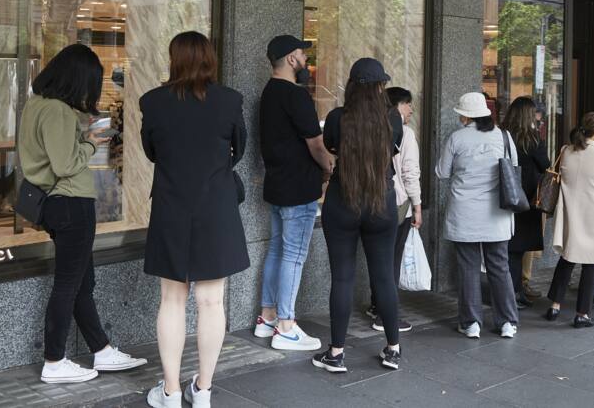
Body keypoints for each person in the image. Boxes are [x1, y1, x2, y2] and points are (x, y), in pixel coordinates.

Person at [19, 44, 146, 384]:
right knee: (68, 285)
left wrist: (81, 135)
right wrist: (92, 143)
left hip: (53, 204)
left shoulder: (36, 105)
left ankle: (101, 350)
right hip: (71, 203)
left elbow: (49, 155)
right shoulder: (58, 111)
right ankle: (54, 360)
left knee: (81, 283)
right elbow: (65, 164)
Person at [140, 32, 250, 408]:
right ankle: (202, 391)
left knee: (172, 300)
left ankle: (170, 393)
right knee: (211, 302)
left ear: (173, 59)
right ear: (209, 59)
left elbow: (151, 151)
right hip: (216, 207)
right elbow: (239, 147)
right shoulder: (229, 101)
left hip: (172, 206)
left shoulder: (153, 102)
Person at [312, 58, 405, 373]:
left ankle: (336, 354)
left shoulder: (338, 117)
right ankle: (393, 349)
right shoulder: (393, 119)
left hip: (343, 200)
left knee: (342, 278)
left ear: (352, 85)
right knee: (384, 277)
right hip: (382, 201)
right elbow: (393, 150)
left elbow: (331, 146)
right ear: (380, 87)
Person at [254, 35, 335, 352]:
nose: (305, 59)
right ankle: (286, 326)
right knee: (293, 255)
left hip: (276, 185)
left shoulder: (269, 93)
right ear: (290, 59)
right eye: (302, 54)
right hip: (299, 187)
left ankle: (268, 316)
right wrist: (328, 166)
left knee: (277, 250)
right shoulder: (294, 95)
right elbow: (315, 143)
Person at [436, 92, 520, 340]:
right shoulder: (503, 136)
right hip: (497, 213)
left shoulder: (456, 138)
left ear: (465, 115)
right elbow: (513, 165)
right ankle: (507, 322)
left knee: (468, 268)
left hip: (465, 213)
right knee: (499, 266)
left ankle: (471, 322)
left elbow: (441, 172)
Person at [546, 112, 594, 327]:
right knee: (591, 265)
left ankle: (554, 306)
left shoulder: (566, 151)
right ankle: (582, 314)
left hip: (571, 213)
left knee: (567, 259)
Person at [366, 87, 422, 333]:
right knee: (392, 261)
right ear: (397, 106)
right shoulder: (405, 133)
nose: (411, 109)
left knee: (377, 257)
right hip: (396, 203)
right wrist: (417, 206)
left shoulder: (370, 129)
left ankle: (375, 304)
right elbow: (410, 173)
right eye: (408, 104)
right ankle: (384, 315)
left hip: (369, 202)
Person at [501, 96, 550, 308]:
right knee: (518, 249)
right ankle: (514, 293)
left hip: (504, 195)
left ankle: (514, 291)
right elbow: (546, 165)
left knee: (508, 247)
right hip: (527, 198)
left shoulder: (502, 135)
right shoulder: (533, 139)